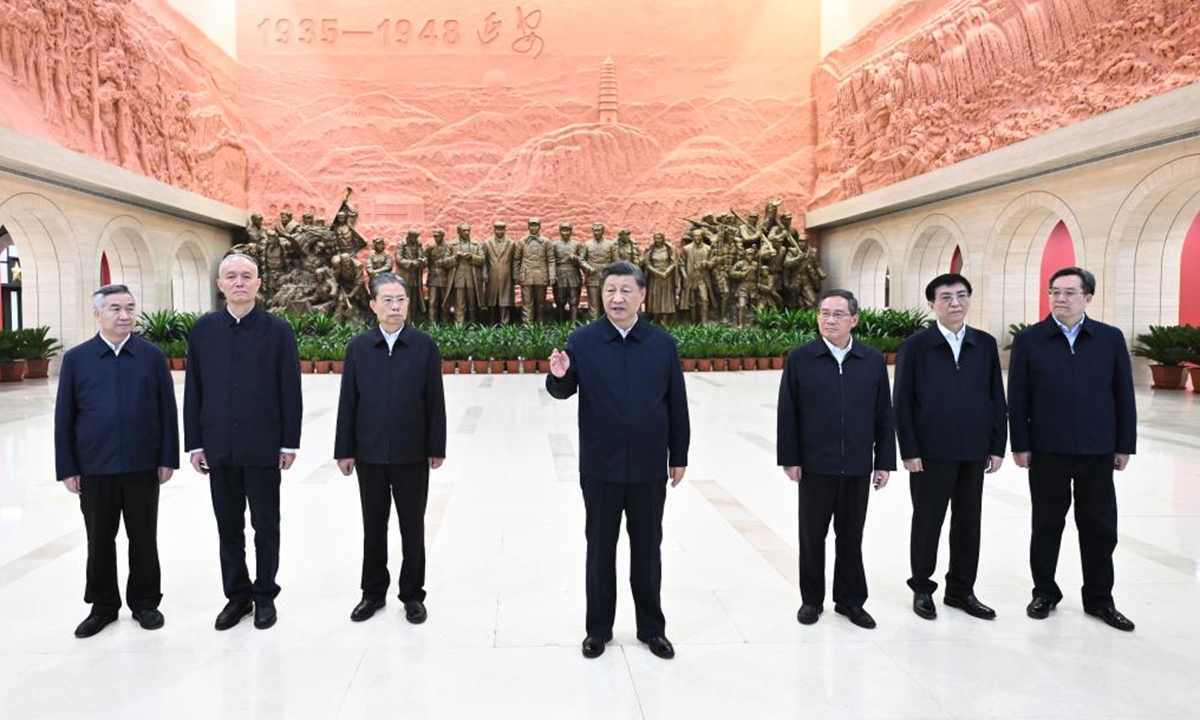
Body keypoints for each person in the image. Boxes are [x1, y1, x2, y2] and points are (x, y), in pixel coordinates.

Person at [546, 261, 690, 660]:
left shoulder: (661, 344)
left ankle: (652, 628)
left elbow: (676, 403)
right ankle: (598, 629)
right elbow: (563, 390)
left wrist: (679, 455)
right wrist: (558, 375)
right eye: (610, 290)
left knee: (648, 549)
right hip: (601, 466)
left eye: (626, 290)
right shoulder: (584, 340)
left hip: (647, 467)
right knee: (600, 549)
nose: (618, 298)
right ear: (601, 295)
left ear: (642, 295)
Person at [1008, 266, 1137, 631]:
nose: (1060, 299)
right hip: (1048, 449)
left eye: (1069, 292)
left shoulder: (1109, 339)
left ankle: (1099, 599)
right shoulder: (1031, 340)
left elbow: (1123, 395)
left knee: (1099, 526)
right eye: (1054, 292)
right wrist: (1021, 443)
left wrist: (1124, 444)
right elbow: (1017, 398)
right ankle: (1044, 591)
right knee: (1046, 524)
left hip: (1098, 450)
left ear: (1088, 298)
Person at [184, 254, 302, 632]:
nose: (239, 282)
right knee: (228, 526)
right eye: (231, 276)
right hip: (219, 446)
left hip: (264, 445)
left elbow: (290, 390)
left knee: (266, 525)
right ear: (220, 285)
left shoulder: (278, 330)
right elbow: (194, 391)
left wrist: (289, 443)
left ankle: (265, 595)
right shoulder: (203, 331)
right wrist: (195, 443)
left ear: (258, 283)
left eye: (246, 276)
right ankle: (237, 596)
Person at [54, 284, 178, 638]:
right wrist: (68, 467)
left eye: (129, 308)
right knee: (100, 539)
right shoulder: (78, 359)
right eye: (114, 309)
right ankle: (103, 605)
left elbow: (167, 411)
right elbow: (65, 416)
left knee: (143, 537)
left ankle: (145, 602)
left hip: (142, 465)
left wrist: (167, 457)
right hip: (95, 466)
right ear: (97, 314)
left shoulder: (152, 356)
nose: (124, 315)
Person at [776, 289, 895, 630]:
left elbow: (883, 414)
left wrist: (883, 461)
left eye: (838, 314)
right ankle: (811, 600)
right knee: (812, 537)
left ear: (854, 320)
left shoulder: (871, 360)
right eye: (824, 313)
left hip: (857, 465)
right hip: (815, 465)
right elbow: (789, 412)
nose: (830, 320)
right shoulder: (801, 358)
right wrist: (790, 457)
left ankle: (850, 600)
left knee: (851, 537)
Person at [893, 273, 1006, 621]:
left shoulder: (984, 344)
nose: (955, 303)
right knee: (928, 521)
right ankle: (923, 589)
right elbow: (903, 402)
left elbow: (995, 397)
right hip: (930, 452)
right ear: (932, 304)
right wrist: (909, 450)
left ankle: (961, 590)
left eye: (961, 295)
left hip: (973, 450)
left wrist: (997, 445)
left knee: (968, 522)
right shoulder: (915, 346)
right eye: (946, 297)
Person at [335, 273, 446, 624]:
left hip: (412, 453)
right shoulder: (359, 348)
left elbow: (435, 401)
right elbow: (348, 402)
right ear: (373, 305)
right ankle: (372, 593)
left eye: (401, 300)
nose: (395, 306)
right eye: (388, 300)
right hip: (369, 454)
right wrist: (345, 449)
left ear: (408, 304)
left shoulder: (424, 346)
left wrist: (436, 446)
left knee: (412, 526)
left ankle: (413, 594)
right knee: (373, 526)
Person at [514, 218, 553, 324]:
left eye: (536, 225)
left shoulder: (546, 242)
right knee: (527, 302)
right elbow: (517, 259)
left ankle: (540, 323)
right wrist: (515, 275)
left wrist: (552, 275)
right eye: (531, 225)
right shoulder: (522, 241)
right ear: (528, 226)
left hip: (541, 275)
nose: (533, 228)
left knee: (540, 303)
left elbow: (551, 260)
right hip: (526, 276)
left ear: (539, 227)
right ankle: (527, 325)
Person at [482, 221, 516, 324]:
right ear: (494, 229)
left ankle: (505, 322)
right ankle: (492, 322)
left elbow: (514, 261)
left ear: (505, 230)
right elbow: (484, 261)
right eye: (497, 229)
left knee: (504, 300)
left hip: (506, 277)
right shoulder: (487, 243)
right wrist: (484, 274)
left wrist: (515, 276)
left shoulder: (511, 243)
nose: (499, 231)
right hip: (492, 276)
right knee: (492, 300)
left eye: (501, 229)